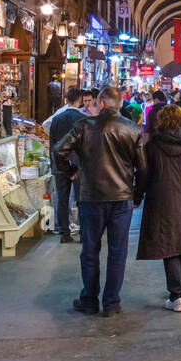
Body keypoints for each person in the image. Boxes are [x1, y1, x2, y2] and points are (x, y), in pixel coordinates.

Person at [54, 86, 144, 316]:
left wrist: (72, 169)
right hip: (121, 198)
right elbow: (143, 167)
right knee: (117, 251)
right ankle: (111, 302)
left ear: (101, 103)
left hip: (91, 196)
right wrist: (138, 193)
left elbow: (58, 150)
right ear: (120, 104)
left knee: (90, 250)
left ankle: (90, 299)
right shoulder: (132, 129)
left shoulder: (84, 127)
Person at [137, 103, 181, 311]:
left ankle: (178, 294)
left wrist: (138, 194)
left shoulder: (153, 145)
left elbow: (144, 173)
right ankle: (179, 288)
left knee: (169, 242)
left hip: (162, 197)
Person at [46, 87, 87, 243]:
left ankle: (64, 233)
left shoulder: (57, 119)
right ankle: (84, 233)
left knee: (62, 199)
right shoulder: (81, 118)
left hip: (59, 164)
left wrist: (54, 163)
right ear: (79, 100)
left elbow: (52, 144)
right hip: (78, 165)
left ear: (66, 100)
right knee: (81, 199)